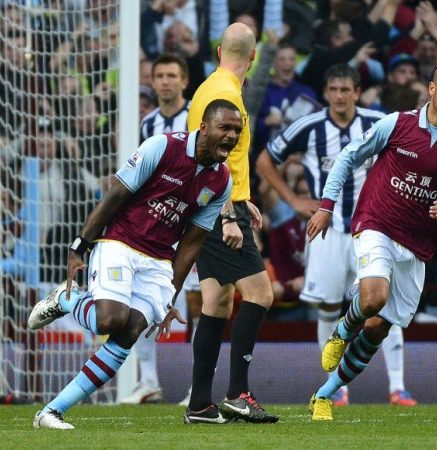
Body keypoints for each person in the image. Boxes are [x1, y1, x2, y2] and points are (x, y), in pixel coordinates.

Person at [27, 99, 240, 430]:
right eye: (225, 128)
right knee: (110, 320)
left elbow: (192, 242)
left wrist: (170, 295)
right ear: (204, 127)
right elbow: (115, 195)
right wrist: (80, 245)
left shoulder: (221, 181)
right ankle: (66, 299)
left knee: (131, 331)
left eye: (237, 131)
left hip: (157, 261)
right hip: (120, 243)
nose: (231, 136)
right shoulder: (162, 147)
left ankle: (51, 412)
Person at [307, 64, 437, 421]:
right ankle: (342, 330)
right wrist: (326, 205)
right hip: (377, 223)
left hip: (417, 245)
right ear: (432, 89)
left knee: (376, 330)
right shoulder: (397, 124)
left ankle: (324, 396)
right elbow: (348, 157)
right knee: (373, 298)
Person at [257, 64, 418, 407]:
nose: (340, 96)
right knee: (329, 307)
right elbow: (264, 161)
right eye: (334, 89)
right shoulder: (309, 126)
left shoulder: (379, 122)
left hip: (375, 229)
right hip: (327, 233)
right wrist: (294, 200)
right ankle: (337, 387)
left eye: (346, 89)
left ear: (357, 93)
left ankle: (398, 387)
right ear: (325, 93)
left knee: (383, 306)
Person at [184, 22, 278, 424]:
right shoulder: (226, 95)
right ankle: (238, 393)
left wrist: (244, 198)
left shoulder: (212, 86)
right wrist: (228, 214)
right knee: (260, 294)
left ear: (220, 50)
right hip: (216, 206)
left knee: (217, 303)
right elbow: (210, 158)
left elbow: (226, 158)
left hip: (214, 202)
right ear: (254, 58)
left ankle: (200, 405)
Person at [122, 52, 192, 405]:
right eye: (159, 75)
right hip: (155, 226)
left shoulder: (198, 117)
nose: (164, 81)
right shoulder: (148, 123)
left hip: (192, 222)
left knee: (196, 300)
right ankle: (148, 380)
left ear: (184, 81)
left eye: (171, 75)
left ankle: (199, 385)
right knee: (146, 297)